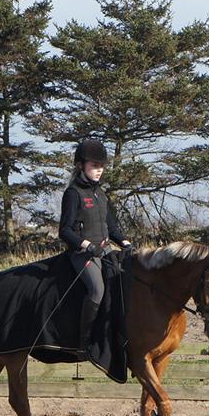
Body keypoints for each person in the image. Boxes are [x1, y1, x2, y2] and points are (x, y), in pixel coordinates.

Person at [58, 138, 133, 355]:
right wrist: (88, 246)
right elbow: (65, 230)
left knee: (124, 281)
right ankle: (84, 340)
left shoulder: (101, 194)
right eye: (94, 166)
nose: (99, 170)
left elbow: (111, 226)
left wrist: (125, 242)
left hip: (105, 249)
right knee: (97, 290)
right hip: (82, 254)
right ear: (81, 166)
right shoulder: (73, 194)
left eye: (101, 167)